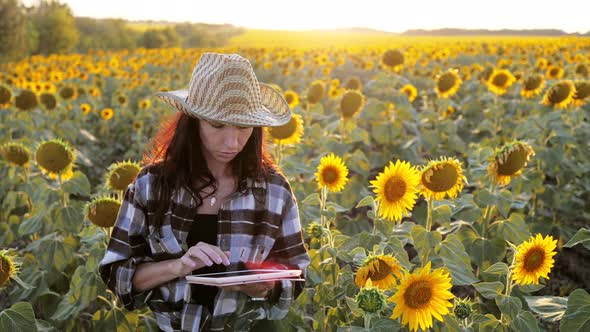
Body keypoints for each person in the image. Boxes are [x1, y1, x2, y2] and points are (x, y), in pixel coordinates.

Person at [99, 53, 310, 332]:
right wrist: (178, 266)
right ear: (193, 121)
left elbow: (296, 275)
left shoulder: (274, 191)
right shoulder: (151, 186)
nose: (232, 142)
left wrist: (264, 285)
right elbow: (117, 274)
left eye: (244, 127)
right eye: (218, 125)